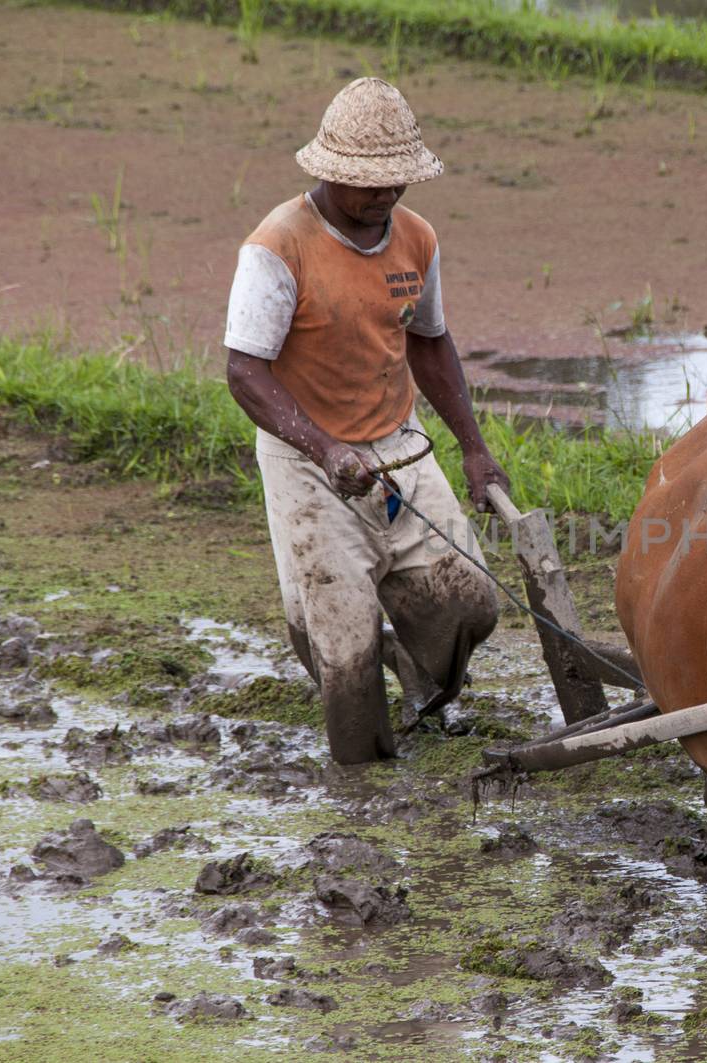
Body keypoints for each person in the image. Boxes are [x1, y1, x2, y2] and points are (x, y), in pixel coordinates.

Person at [224, 77, 506, 764]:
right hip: (307, 460)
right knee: (344, 648)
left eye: (395, 180)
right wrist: (323, 448)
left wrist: (474, 448)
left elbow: (430, 342)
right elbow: (245, 371)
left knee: (470, 602)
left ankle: (419, 684)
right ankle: (364, 790)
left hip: (398, 447)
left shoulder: (416, 239)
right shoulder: (278, 247)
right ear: (329, 170)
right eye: (368, 181)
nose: (384, 194)